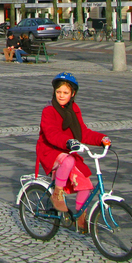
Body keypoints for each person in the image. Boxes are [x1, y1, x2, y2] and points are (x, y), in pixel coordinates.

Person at [36, 72, 111, 233]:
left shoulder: (74, 109)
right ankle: (57, 194)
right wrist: (67, 142)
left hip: (68, 150)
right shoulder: (49, 111)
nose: (61, 96)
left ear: (72, 94)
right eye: (58, 92)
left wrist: (101, 139)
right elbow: (51, 133)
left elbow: (83, 133)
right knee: (69, 161)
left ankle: (80, 218)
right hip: (50, 150)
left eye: (65, 93)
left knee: (85, 184)